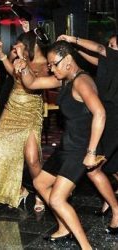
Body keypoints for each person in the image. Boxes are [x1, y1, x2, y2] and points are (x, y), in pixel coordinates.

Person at [14, 40, 118, 249]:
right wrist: (24, 67)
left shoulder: (82, 82)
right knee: (40, 184)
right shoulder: (65, 79)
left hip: (80, 148)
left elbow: (100, 113)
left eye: (53, 64)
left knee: (57, 199)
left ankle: (86, 246)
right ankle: (64, 227)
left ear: (68, 61)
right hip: (66, 145)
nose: (50, 68)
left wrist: (91, 152)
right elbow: (32, 84)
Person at [58, 34, 118, 220]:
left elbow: (99, 50)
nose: (108, 48)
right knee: (111, 165)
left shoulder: (115, 58)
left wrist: (73, 40)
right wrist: (74, 51)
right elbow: (98, 58)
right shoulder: (110, 64)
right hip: (107, 114)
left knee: (96, 167)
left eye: (113, 45)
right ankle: (109, 202)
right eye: (109, 44)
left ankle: (115, 208)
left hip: (113, 117)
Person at [0, 28, 50, 210]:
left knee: (32, 159)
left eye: (20, 46)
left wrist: (24, 65)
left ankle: (41, 192)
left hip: (31, 111)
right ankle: (19, 190)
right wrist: (2, 54)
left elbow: (35, 85)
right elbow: (12, 72)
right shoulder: (20, 60)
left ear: (30, 46)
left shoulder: (47, 64)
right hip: (12, 108)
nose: (16, 49)